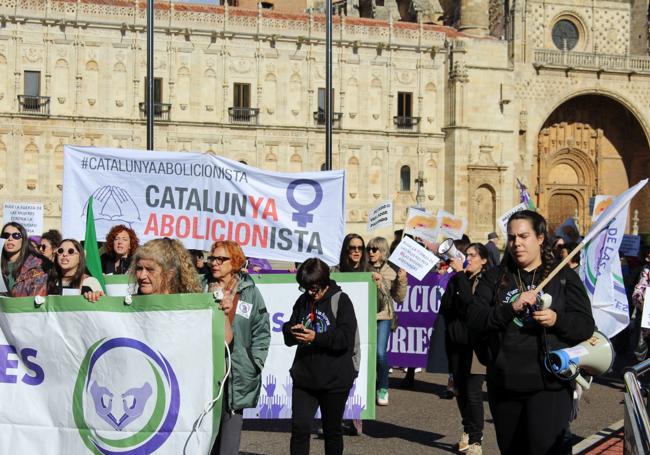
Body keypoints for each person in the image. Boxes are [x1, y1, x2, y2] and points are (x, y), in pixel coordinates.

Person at [467, 210, 594, 455]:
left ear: (540, 238)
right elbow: (474, 320)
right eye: (512, 237)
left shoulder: (562, 276)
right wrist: (509, 309)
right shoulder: (494, 278)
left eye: (524, 236)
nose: (517, 243)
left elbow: (585, 325)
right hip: (504, 384)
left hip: (550, 386)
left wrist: (557, 320)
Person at [282, 258, 357, 455]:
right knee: (299, 430)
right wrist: (292, 330)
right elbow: (288, 333)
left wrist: (317, 337)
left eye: (313, 289)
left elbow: (345, 339)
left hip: (334, 380)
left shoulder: (341, 300)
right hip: (305, 378)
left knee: (332, 432)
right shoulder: (303, 300)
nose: (309, 293)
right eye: (304, 288)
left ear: (324, 284)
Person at [205, 240, 270, 455]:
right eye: (213, 258)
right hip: (204, 372)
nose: (215, 263)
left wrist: (255, 362)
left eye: (221, 259)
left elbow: (262, 331)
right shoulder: (199, 286)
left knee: (229, 444)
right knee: (204, 439)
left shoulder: (249, 292)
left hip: (237, 372)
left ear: (235, 262)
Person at [440, 242, 490, 455]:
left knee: (473, 392)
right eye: (466, 254)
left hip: (476, 346)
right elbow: (446, 306)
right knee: (459, 390)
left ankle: (477, 439)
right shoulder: (458, 279)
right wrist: (454, 280)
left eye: (472, 255)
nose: (468, 258)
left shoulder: (487, 281)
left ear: (483, 260)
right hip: (457, 343)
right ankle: (468, 431)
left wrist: (460, 275)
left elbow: (472, 306)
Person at [367, 236, 407, 406]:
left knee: (380, 353)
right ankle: (367, 386)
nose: (370, 252)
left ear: (382, 251)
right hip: (364, 314)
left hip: (383, 316)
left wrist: (401, 280)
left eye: (374, 249)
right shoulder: (362, 267)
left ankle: (383, 387)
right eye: (368, 249)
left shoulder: (392, 269)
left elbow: (399, 297)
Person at [1, 222, 48, 297]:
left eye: (16, 236)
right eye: (6, 235)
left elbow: (38, 300)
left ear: (23, 240)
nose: (10, 239)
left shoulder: (37, 268)